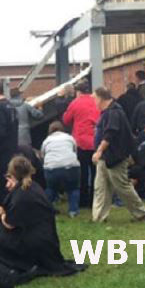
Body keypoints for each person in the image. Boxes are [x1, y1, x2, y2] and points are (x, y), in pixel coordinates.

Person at [0, 156, 83, 276]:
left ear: (13, 175)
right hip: (45, 238)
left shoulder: (21, 194)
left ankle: (18, 264)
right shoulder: (33, 186)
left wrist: (2, 213)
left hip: (35, 241)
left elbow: (9, 224)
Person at [90, 87, 145, 223]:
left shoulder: (114, 113)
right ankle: (99, 217)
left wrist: (99, 150)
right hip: (106, 157)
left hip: (114, 156)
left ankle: (142, 213)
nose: (94, 102)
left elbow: (110, 133)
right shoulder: (109, 112)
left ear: (100, 98)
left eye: (94, 98)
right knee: (101, 186)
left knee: (122, 186)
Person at [62, 79, 99, 208]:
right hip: (96, 140)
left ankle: (83, 200)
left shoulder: (75, 103)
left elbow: (66, 120)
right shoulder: (96, 101)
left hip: (81, 141)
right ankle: (95, 200)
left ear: (78, 91)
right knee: (96, 172)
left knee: (82, 172)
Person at [40, 121, 81, 217]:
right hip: (71, 167)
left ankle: (47, 209)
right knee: (73, 188)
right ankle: (73, 211)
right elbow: (75, 151)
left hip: (52, 168)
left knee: (51, 188)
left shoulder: (47, 140)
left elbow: (43, 155)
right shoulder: (70, 138)